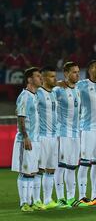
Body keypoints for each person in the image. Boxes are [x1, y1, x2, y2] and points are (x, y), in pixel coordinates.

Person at [76, 60, 96, 206]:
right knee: (84, 163)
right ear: (90, 70)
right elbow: (67, 89)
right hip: (87, 129)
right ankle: (82, 196)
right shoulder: (81, 85)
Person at [53, 62, 86, 207]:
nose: (77, 74)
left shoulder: (78, 89)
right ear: (66, 74)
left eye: (78, 72)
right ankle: (60, 198)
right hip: (62, 133)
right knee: (61, 166)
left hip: (75, 133)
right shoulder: (58, 90)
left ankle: (72, 198)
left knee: (72, 166)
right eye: (74, 72)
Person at [11, 67, 42, 212]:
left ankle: (30, 202)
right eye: (37, 76)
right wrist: (25, 137)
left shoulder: (35, 95)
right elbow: (20, 118)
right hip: (26, 140)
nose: (40, 78)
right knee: (25, 172)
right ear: (29, 79)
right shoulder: (24, 96)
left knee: (32, 172)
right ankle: (24, 203)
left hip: (35, 139)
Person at [36, 67, 59, 209]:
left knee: (51, 169)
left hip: (53, 136)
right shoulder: (38, 93)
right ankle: (37, 200)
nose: (55, 79)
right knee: (39, 169)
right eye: (51, 77)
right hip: (42, 136)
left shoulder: (55, 93)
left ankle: (48, 199)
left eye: (55, 76)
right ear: (43, 78)